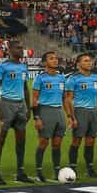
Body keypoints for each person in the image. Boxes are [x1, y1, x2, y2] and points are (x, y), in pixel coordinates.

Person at [0, 40, 33, 185]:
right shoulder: (3, 66)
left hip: (21, 105)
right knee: (0, 140)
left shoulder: (23, 67)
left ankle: (21, 171)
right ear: (10, 50)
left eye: (22, 47)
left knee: (21, 140)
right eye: (18, 48)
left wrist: (29, 107)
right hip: (6, 103)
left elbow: (26, 87)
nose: (21, 50)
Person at [30, 51, 67, 182]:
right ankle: (39, 171)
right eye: (51, 59)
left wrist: (69, 115)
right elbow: (34, 99)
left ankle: (57, 172)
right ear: (45, 63)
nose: (55, 60)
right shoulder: (40, 78)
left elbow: (65, 98)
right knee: (43, 143)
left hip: (59, 112)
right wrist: (37, 118)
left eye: (56, 58)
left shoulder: (62, 78)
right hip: (45, 111)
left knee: (57, 144)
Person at [64, 52, 97, 179]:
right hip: (80, 111)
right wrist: (71, 116)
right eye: (85, 61)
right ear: (78, 64)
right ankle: (72, 168)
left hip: (93, 112)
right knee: (77, 140)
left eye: (89, 60)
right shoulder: (73, 79)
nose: (89, 63)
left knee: (91, 141)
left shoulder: (96, 78)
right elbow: (69, 99)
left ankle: (90, 169)